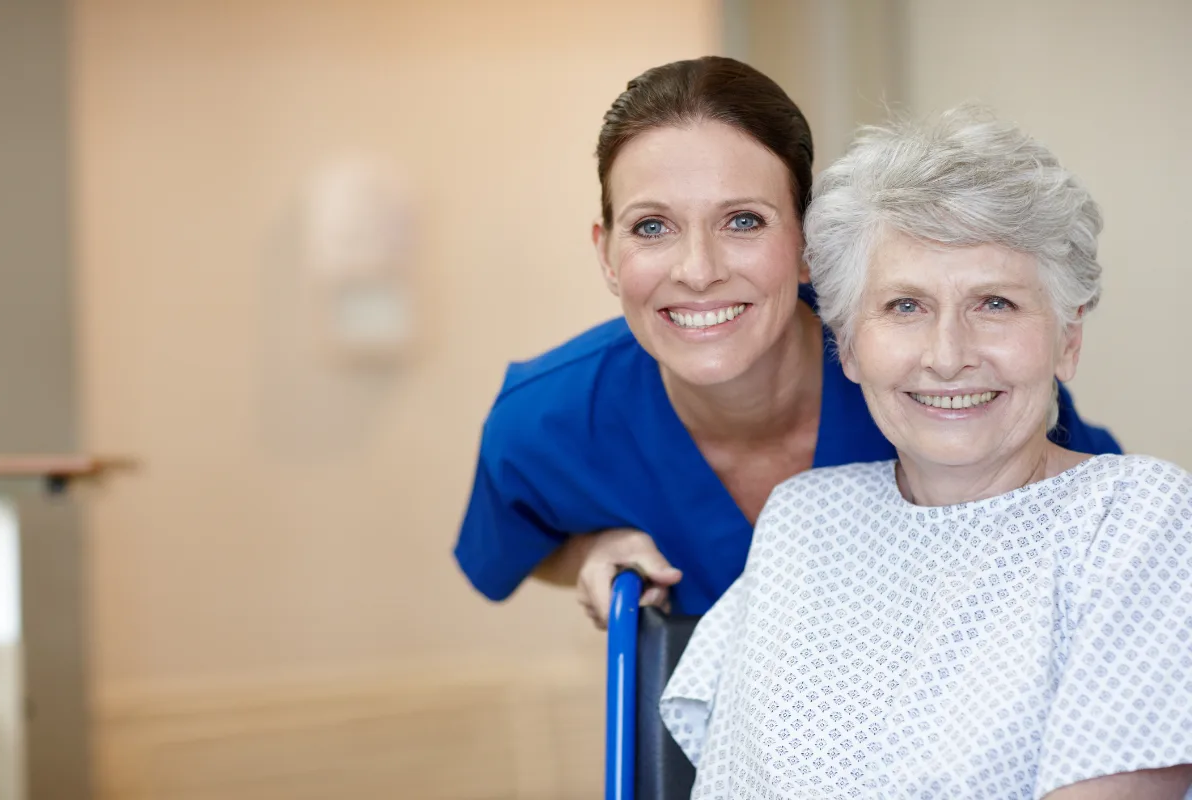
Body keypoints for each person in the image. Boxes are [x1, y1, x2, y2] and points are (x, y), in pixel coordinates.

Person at [452, 56, 1121, 628]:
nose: (698, 269)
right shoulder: (545, 422)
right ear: (606, 254)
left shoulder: (927, 379)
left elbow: (1093, 517)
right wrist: (595, 552)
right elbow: (520, 547)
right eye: (651, 227)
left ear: (808, 243)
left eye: (743, 220)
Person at [659, 105, 1192, 799]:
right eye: (904, 306)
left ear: (1068, 338)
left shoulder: (1135, 520)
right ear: (848, 345)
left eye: (995, 303)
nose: (948, 357)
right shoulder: (802, 521)